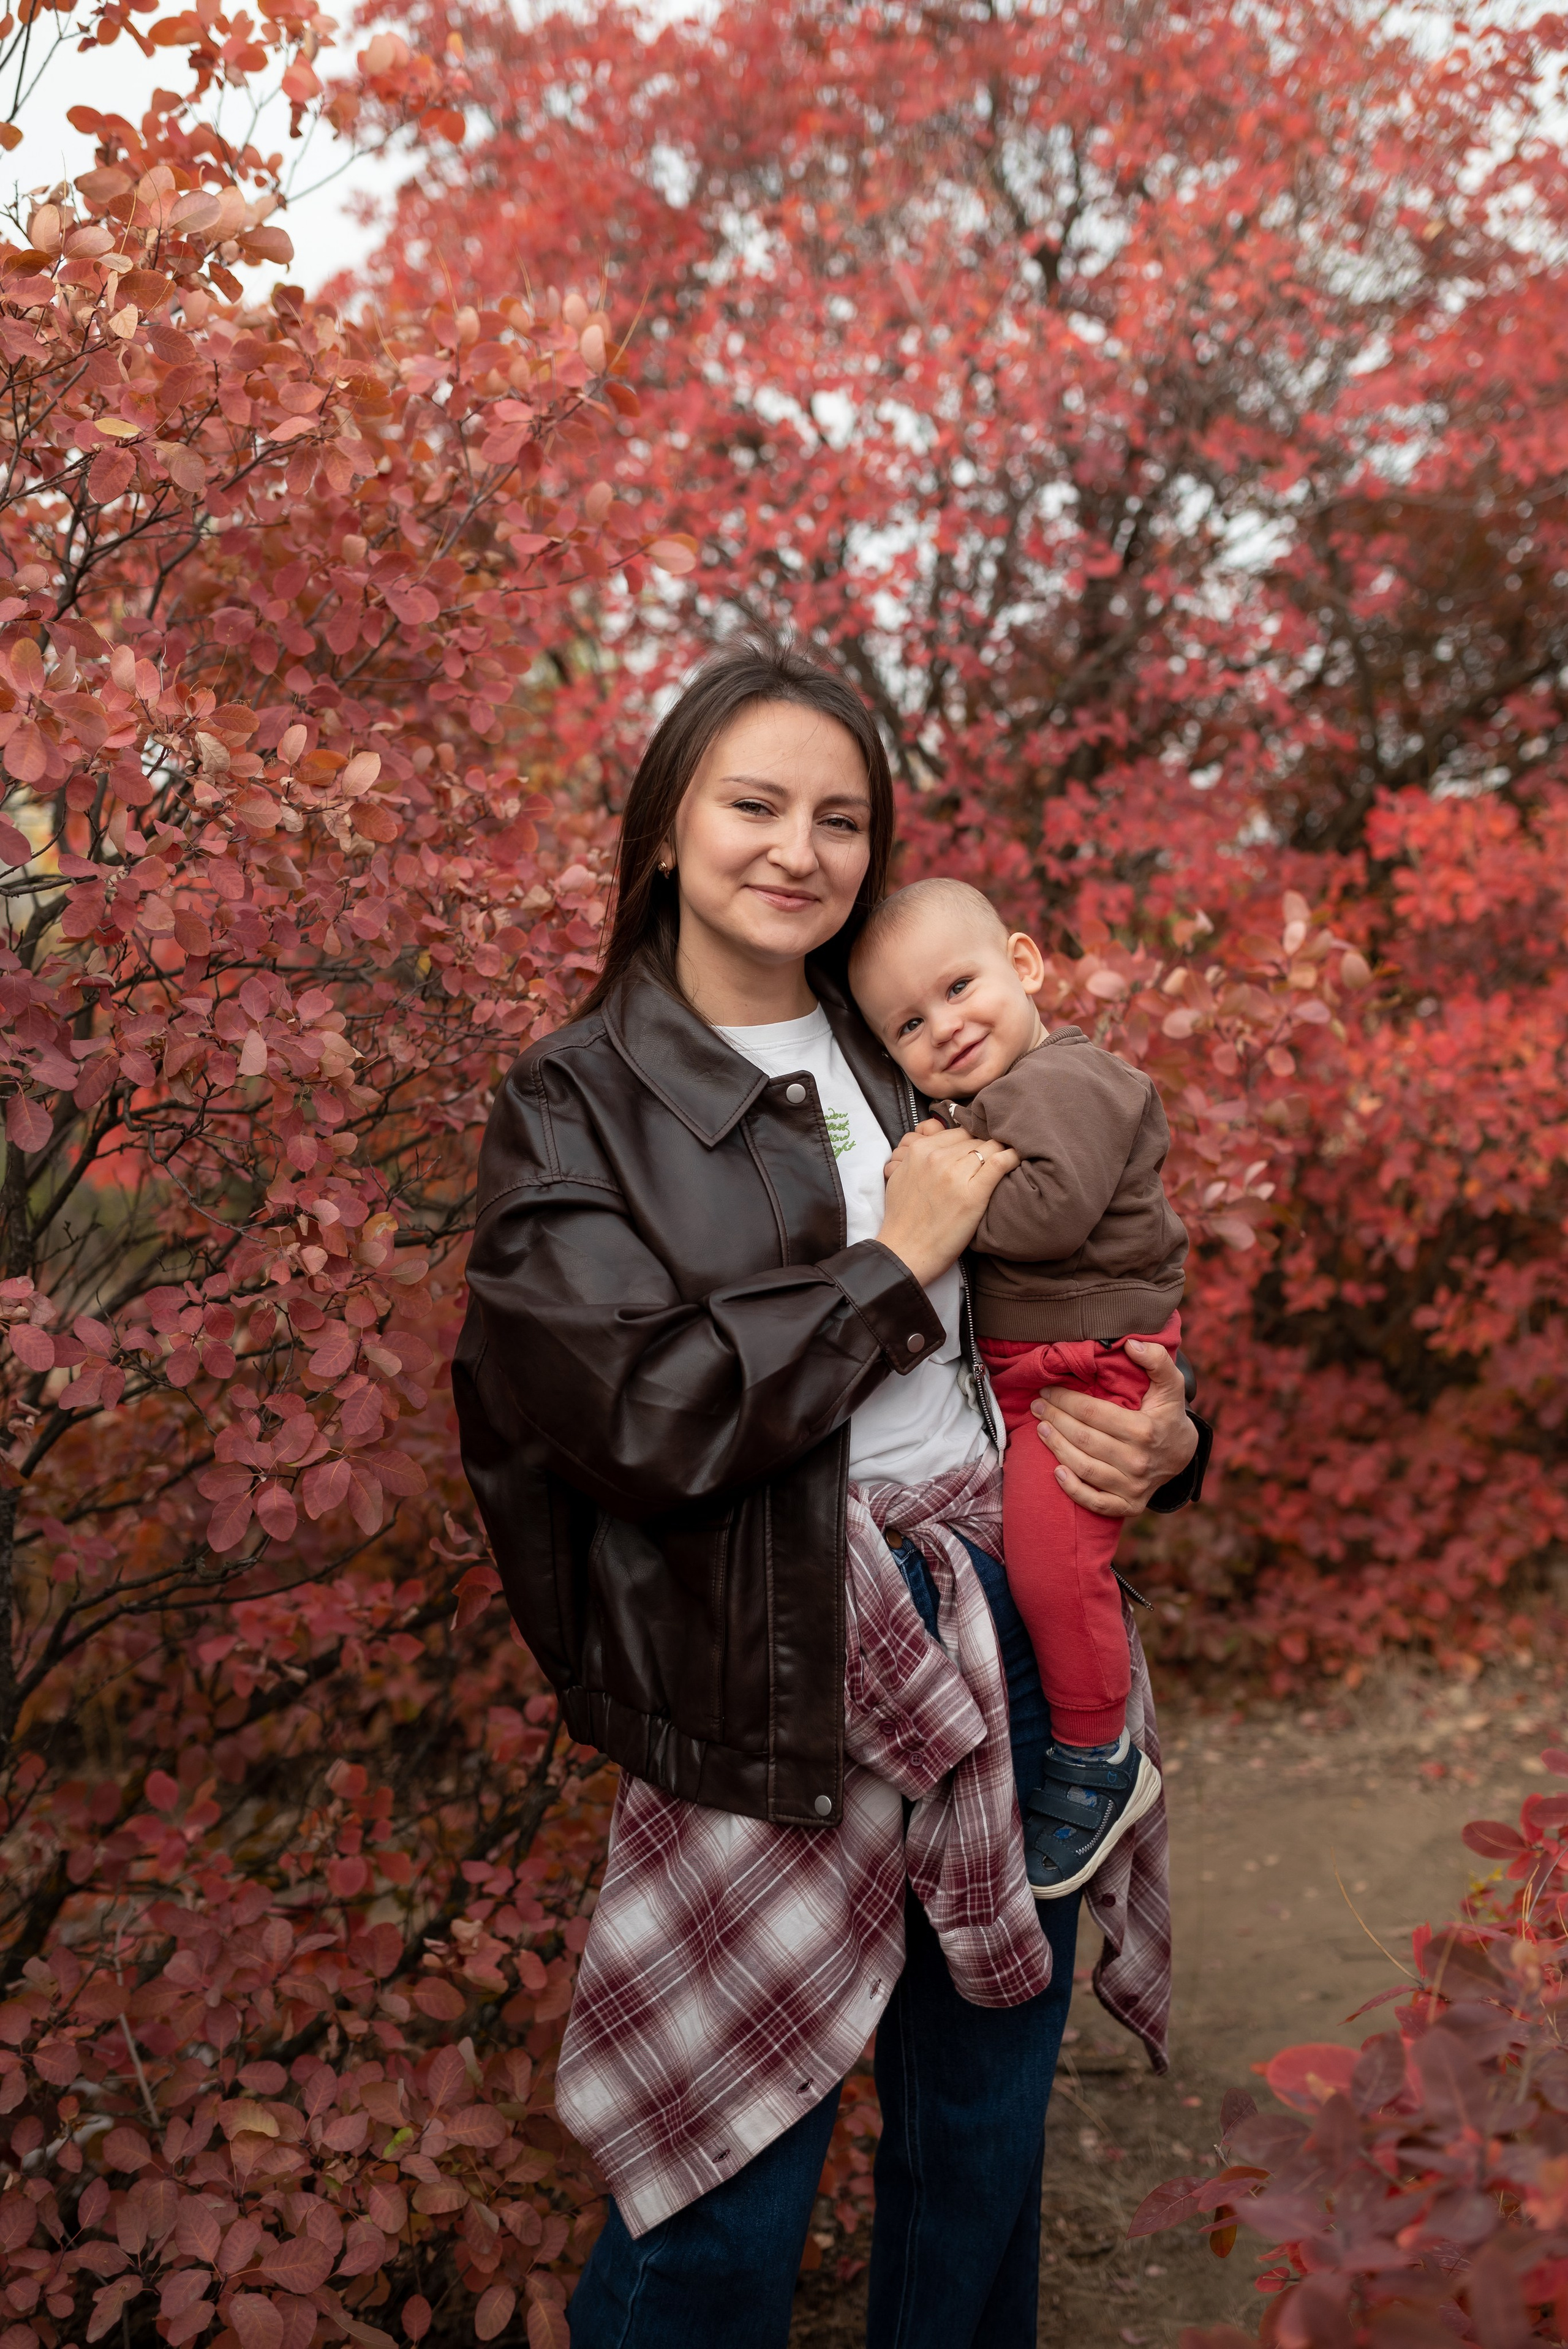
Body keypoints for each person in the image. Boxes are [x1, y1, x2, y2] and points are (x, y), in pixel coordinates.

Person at [454, 638, 1208, 2349]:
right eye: (755, 803)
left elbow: (1085, 1274)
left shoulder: (909, 1040)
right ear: (664, 828)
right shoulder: (577, 1104)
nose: (800, 848)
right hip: (770, 1675)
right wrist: (888, 1264)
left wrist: (1173, 1435)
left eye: (842, 817)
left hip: (1005, 1638)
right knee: (719, 2204)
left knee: (978, 2153)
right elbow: (623, 1419)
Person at [849, 878, 1190, 1904]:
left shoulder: (1064, 1081)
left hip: (1085, 1375)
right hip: (1038, 1374)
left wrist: (932, 1200)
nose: (945, 1027)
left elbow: (1047, 1216)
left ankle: (1098, 1759)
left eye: (961, 988)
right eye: (910, 1023)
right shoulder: (1002, 1095)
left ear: (1028, 965)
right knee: (1049, 1560)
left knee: (1053, 1569)